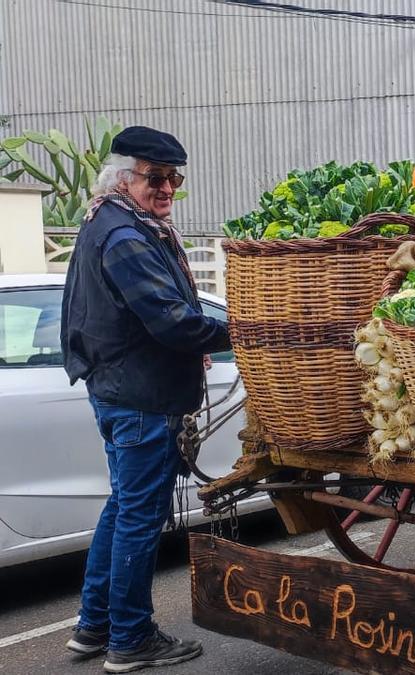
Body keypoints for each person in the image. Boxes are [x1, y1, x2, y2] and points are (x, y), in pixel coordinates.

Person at [61, 126, 230, 672]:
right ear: (123, 176)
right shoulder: (126, 236)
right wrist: (243, 331)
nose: (167, 189)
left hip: (124, 390)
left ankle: (94, 627)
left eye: (174, 178)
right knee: (138, 515)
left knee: (123, 509)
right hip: (139, 396)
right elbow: (173, 323)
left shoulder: (111, 221)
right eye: (156, 177)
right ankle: (130, 640)